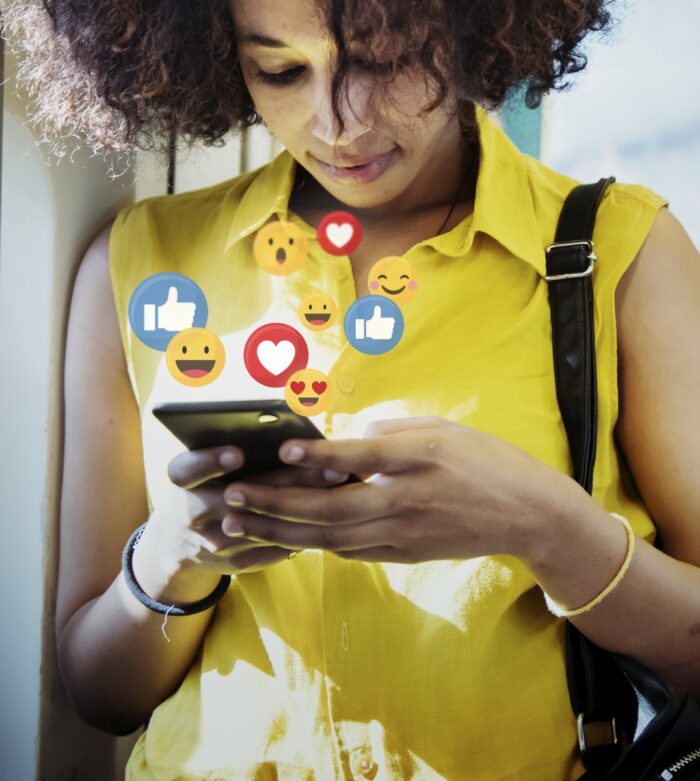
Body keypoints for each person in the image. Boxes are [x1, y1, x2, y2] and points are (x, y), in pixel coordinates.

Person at [6, 0, 698, 777]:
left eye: (386, 57)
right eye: (280, 70)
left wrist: (549, 528)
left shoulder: (621, 255)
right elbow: (101, 694)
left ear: (475, 28)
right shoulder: (138, 263)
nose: (337, 123)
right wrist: (178, 550)